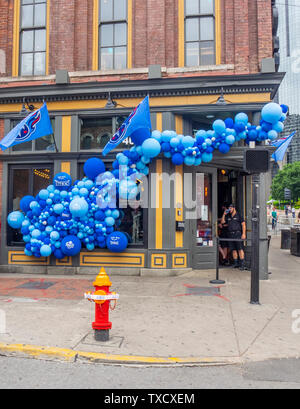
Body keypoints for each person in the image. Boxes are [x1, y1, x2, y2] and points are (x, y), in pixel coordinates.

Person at [221, 204, 246, 270]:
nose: (229, 209)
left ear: (234, 208)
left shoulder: (239, 215)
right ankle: (236, 264)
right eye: (229, 208)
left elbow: (243, 225)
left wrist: (243, 234)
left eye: (231, 208)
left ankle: (242, 264)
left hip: (237, 234)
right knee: (233, 249)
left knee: (240, 249)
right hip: (230, 234)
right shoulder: (228, 216)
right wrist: (224, 214)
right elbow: (222, 222)